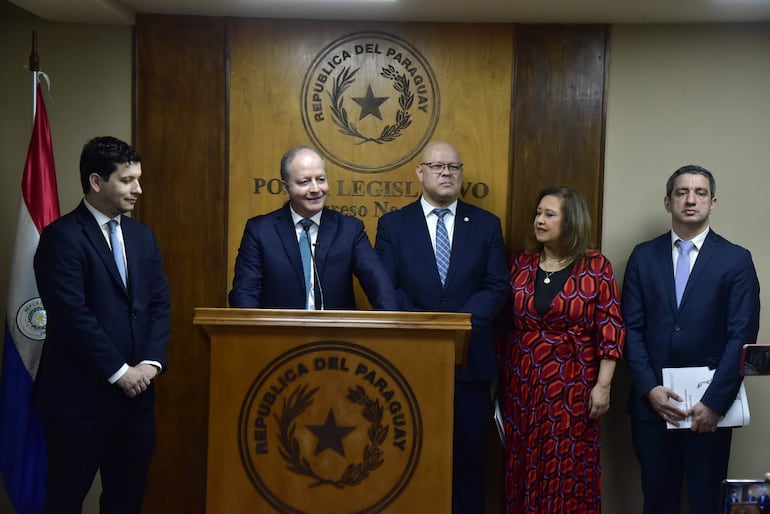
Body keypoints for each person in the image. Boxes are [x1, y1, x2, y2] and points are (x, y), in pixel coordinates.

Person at [33, 136, 171, 513]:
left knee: (126, 501)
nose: (138, 189)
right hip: (78, 402)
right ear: (97, 182)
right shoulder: (61, 237)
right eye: (127, 180)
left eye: (138, 179)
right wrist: (118, 371)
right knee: (64, 500)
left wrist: (150, 364)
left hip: (137, 403)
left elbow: (159, 305)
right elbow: (71, 315)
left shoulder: (143, 237)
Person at [374, 141, 509, 514]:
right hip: (411, 363)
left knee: (468, 461)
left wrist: (459, 327)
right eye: (437, 166)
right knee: (409, 458)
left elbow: (497, 287)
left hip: (470, 366)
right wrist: (430, 329)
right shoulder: (393, 225)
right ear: (420, 172)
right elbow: (385, 288)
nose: (446, 173)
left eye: (453, 167)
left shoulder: (485, 225)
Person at [622, 164, 761, 514]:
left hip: (710, 410)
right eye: (682, 192)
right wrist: (648, 389)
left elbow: (741, 336)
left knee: (705, 502)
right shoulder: (643, 256)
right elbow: (631, 328)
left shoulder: (736, 259)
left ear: (712, 203)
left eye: (700, 193)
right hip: (653, 407)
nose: (690, 199)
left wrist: (714, 403)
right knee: (657, 500)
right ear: (667, 202)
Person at [496, 186, 625, 513]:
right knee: (522, 464)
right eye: (538, 213)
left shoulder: (596, 266)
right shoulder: (521, 263)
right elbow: (502, 325)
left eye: (549, 214)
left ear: (571, 222)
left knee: (566, 468)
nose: (539, 220)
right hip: (521, 386)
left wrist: (603, 386)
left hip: (572, 387)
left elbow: (611, 329)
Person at [229, 145, 397, 310]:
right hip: (279, 335)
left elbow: (378, 283)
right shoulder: (260, 231)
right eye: (305, 182)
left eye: (321, 179)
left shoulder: (349, 230)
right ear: (286, 188)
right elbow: (245, 292)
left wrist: (393, 328)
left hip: (336, 335)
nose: (316, 189)